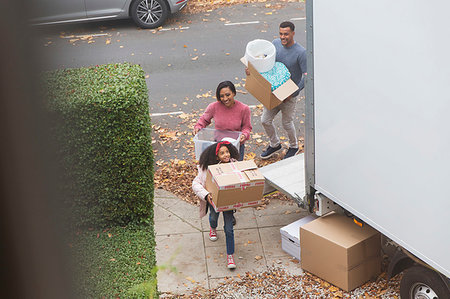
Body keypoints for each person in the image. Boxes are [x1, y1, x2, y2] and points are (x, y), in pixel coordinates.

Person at [247, 21, 307, 160]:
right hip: (273, 92)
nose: (282, 37)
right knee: (265, 120)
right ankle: (275, 144)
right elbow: (265, 63)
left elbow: (306, 76)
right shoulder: (274, 44)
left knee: (286, 122)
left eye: (286, 34)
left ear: (293, 33)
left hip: (289, 95)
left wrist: (293, 93)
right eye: (280, 34)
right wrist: (252, 70)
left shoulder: (301, 52)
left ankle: (294, 146)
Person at [192, 141, 240, 269]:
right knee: (213, 218)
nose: (226, 155)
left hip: (228, 202)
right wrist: (206, 195)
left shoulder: (235, 166)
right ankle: (213, 228)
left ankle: (230, 256)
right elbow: (195, 184)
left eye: (227, 152)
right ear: (217, 156)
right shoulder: (208, 169)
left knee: (229, 229)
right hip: (214, 201)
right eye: (222, 153)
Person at [193, 81, 252, 162]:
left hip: (235, 146)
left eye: (228, 95)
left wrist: (244, 135)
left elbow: (247, 127)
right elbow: (204, 120)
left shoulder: (244, 109)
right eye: (221, 96)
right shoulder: (213, 107)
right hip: (218, 146)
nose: (225, 99)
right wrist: (198, 127)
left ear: (234, 93)